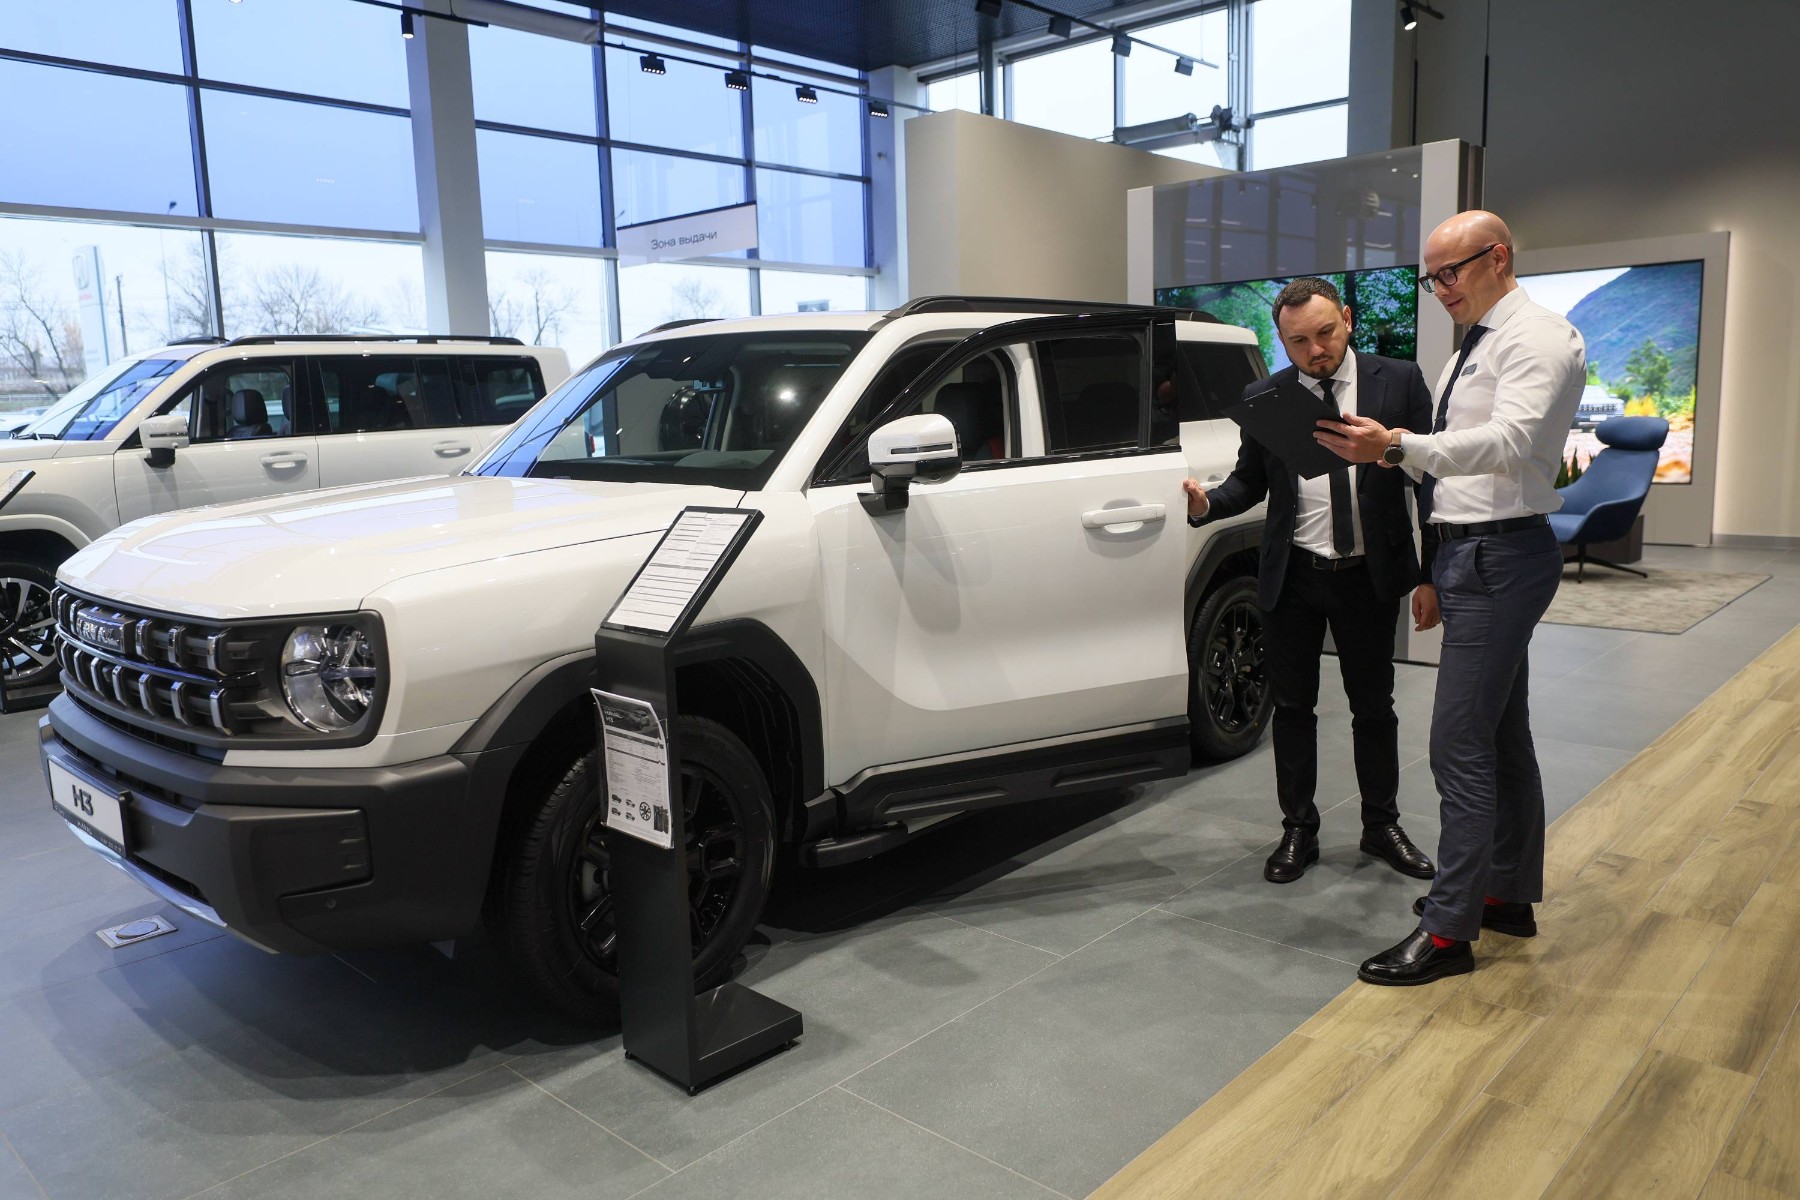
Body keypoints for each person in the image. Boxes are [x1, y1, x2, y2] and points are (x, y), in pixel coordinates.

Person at [1313, 210, 1586, 986]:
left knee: (1458, 745)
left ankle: (1448, 931)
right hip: (1476, 552)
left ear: (1497, 257)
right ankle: (1504, 893)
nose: (1439, 289)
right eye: (1430, 276)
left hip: (1499, 556)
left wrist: (1398, 445)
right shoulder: (1481, 341)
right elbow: (1461, 460)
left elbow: (1512, 442)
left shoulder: (1536, 337)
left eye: (1450, 272)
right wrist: (1393, 453)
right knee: (1499, 736)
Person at [1183, 277, 1438, 886]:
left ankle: (1381, 825)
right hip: (1293, 571)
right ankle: (1298, 828)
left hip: (1368, 573)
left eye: (1324, 333)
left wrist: (1431, 575)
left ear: (1346, 318)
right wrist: (1207, 505)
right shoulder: (1265, 396)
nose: (1315, 350)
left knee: (1374, 707)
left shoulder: (1398, 382)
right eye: (1298, 341)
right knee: (1293, 708)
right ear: (1283, 341)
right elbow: (1250, 481)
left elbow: (1432, 479)